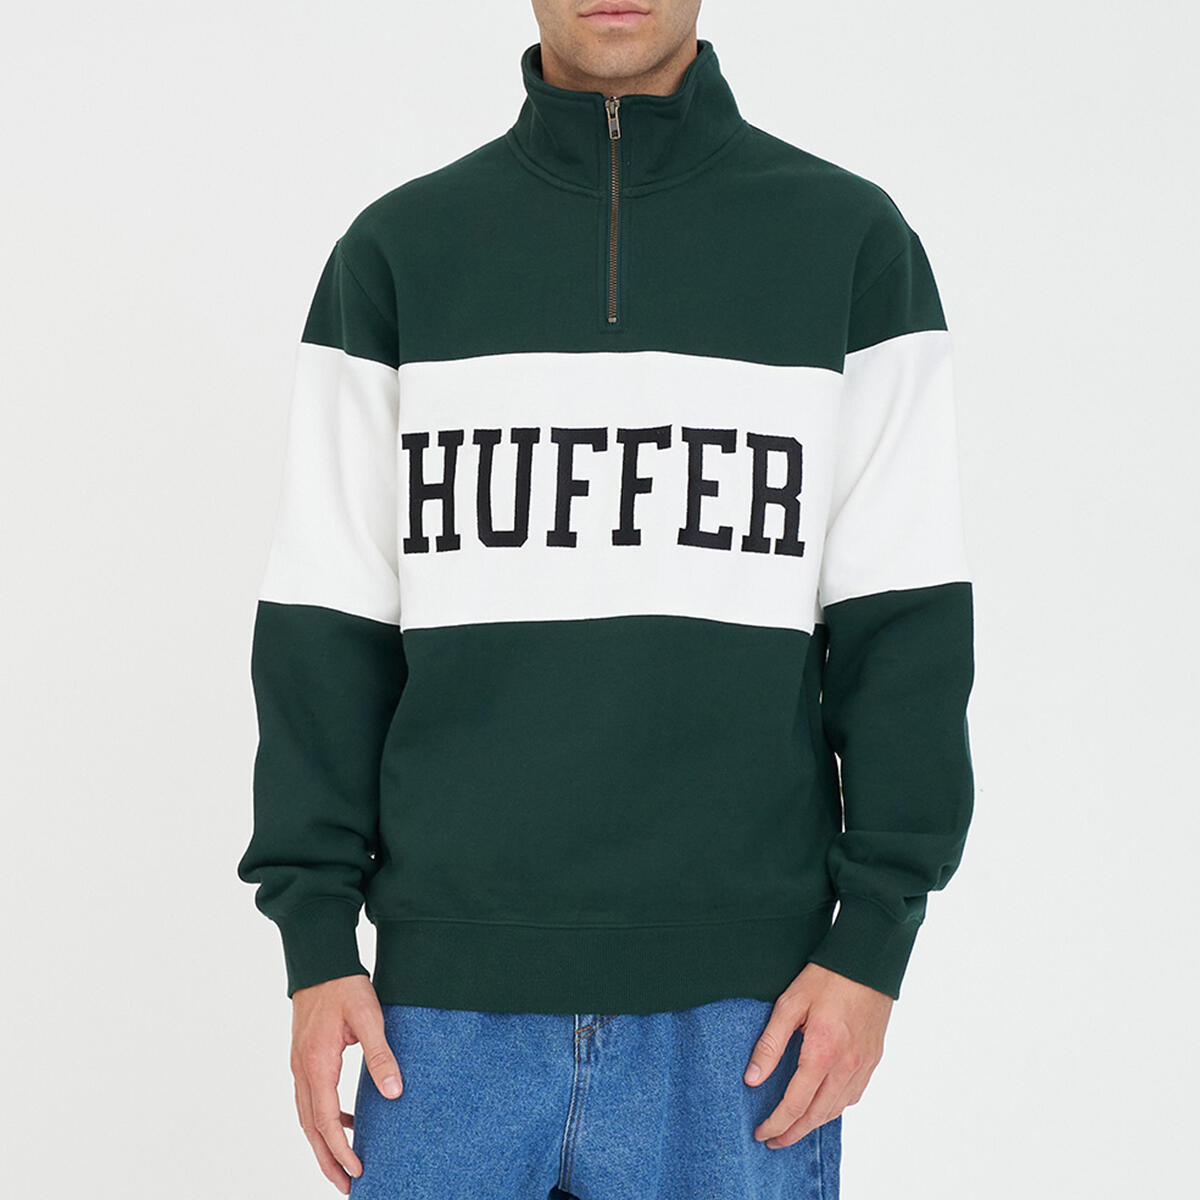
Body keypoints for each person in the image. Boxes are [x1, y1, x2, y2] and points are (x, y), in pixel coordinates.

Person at [236, 1, 976, 1196]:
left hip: (744, 1020)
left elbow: (905, 634)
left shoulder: (847, 245)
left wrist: (875, 946)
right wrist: (316, 943)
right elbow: (325, 633)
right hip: (441, 1020)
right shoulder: (400, 255)